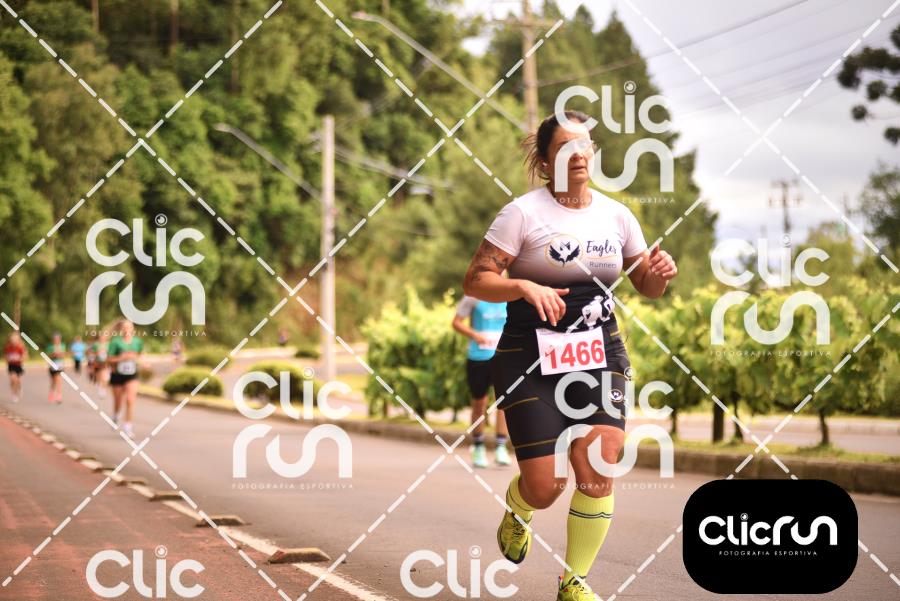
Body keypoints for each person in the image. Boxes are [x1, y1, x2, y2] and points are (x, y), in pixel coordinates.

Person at [462, 111, 677, 601]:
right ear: (544, 162)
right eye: (564, 147)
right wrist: (521, 285)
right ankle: (520, 508)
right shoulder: (521, 214)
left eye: (584, 145)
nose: (578, 154)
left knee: (599, 462)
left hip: (599, 352)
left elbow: (646, 285)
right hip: (529, 358)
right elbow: (475, 280)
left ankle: (573, 582)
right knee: (546, 486)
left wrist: (660, 273)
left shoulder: (617, 216)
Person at [452, 295, 510, 468]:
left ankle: (501, 447)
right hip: (479, 357)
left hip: (503, 356)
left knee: (504, 403)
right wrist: (475, 335)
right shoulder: (473, 297)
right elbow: (456, 322)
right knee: (479, 403)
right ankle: (478, 446)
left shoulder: (509, 295)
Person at [108, 320, 143, 438]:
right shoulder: (115, 342)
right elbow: (109, 359)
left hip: (132, 374)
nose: (127, 329)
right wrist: (121, 358)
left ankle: (128, 427)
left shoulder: (137, 342)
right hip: (117, 375)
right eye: (124, 327)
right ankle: (116, 415)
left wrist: (140, 360)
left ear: (133, 329)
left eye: (129, 327)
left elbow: (140, 355)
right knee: (118, 401)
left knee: (130, 399)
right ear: (121, 329)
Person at [5, 332, 27, 402]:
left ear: (18, 340)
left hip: (18, 365)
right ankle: (14, 394)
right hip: (11, 365)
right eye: (12, 340)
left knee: (18, 381)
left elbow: (24, 356)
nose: (13, 341)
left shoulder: (20, 347)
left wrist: (19, 359)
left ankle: (19, 388)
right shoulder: (8, 347)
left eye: (15, 340)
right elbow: (6, 356)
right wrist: (9, 359)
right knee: (13, 379)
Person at [46, 333, 67, 404]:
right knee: (53, 381)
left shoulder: (62, 346)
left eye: (58, 339)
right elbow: (48, 356)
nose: (56, 340)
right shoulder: (50, 347)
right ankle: (51, 393)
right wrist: (54, 355)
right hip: (52, 365)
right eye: (55, 339)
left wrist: (60, 354)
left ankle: (59, 395)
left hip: (60, 366)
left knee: (58, 379)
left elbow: (63, 355)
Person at [92, 332, 110, 398]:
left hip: (106, 362)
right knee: (99, 375)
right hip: (98, 362)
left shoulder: (108, 344)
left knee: (106, 377)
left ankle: (103, 388)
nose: (102, 338)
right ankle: (100, 387)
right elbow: (93, 353)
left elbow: (110, 353)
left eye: (104, 336)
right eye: (101, 336)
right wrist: (97, 353)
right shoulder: (96, 344)